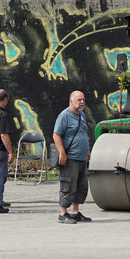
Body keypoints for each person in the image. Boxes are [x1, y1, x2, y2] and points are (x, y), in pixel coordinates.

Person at [53, 90, 93, 224]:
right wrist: (62, 153)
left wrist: (87, 150)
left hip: (81, 158)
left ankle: (75, 212)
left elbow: (83, 133)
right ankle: (63, 213)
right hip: (70, 158)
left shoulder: (82, 115)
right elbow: (56, 135)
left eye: (83, 99)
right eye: (79, 100)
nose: (82, 102)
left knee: (81, 186)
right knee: (68, 185)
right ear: (71, 101)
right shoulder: (64, 116)